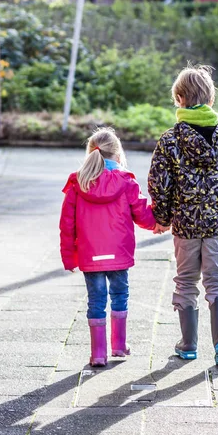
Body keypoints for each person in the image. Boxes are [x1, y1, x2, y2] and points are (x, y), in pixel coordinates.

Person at [148, 65, 218, 365]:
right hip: (216, 224)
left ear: (179, 99)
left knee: (185, 281)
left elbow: (159, 183)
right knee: (217, 281)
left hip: (185, 225)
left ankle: (189, 344)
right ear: (210, 99)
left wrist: (163, 216)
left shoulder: (170, 141)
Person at [60, 127, 157, 367]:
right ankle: (119, 346)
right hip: (119, 253)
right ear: (117, 153)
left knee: (96, 301)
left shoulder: (77, 183)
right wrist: (161, 222)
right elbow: (142, 214)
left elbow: (66, 224)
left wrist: (69, 258)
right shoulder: (126, 181)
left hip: (90, 255)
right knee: (120, 295)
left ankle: (98, 354)